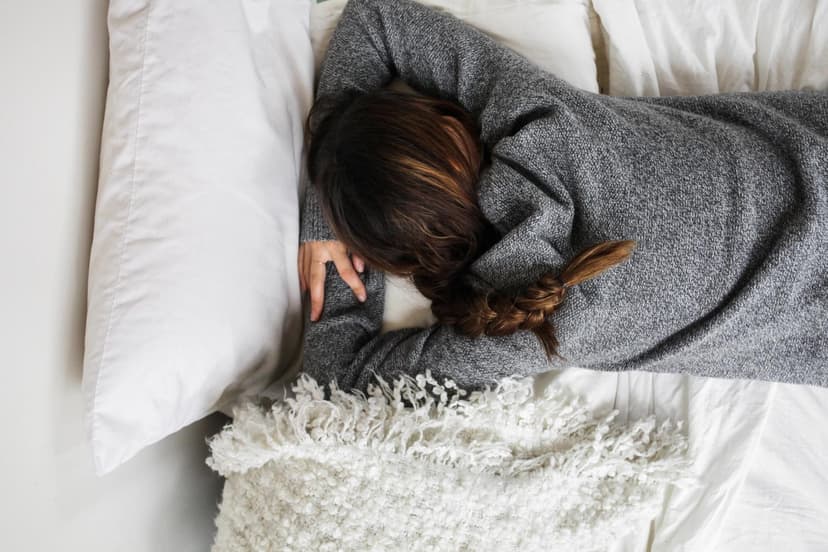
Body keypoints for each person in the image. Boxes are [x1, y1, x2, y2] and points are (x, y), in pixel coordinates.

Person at [297, 0, 828, 394]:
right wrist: (326, 205)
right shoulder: (540, 121)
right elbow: (377, 22)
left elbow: (335, 379)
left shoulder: (518, 325)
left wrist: (335, 232)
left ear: (401, 258)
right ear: (448, 124)